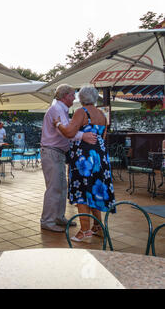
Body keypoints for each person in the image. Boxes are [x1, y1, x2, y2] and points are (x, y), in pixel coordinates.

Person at [53, 86, 116, 241]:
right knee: (95, 189)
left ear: (81, 98)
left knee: (81, 191)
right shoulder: (102, 114)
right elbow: (102, 136)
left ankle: (85, 230)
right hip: (100, 158)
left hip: (84, 158)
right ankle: (98, 227)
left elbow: (69, 133)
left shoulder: (81, 112)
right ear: (94, 98)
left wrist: (57, 124)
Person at [40, 84, 98, 232]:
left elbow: (67, 130)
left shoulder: (61, 109)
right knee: (54, 188)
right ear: (65, 96)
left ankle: (58, 217)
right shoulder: (56, 109)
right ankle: (47, 221)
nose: (75, 97)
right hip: (52, 151)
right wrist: (83, 136)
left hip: (56, 152)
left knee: (60, 187)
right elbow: (67, 132)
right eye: (72, 95)